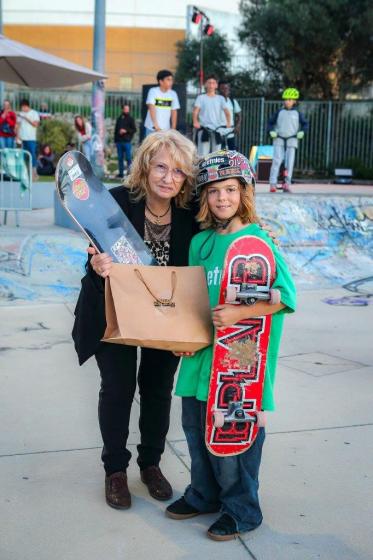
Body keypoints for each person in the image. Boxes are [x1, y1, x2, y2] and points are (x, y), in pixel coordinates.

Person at [166, 150, 296, 541]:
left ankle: (242, 509)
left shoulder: (259, 242)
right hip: (201, 360)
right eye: (213, 191)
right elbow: (192, 299)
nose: (222, 198)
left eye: (230, 189)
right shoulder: (201, 243)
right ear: (203, 197)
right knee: (195, 430)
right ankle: (204, 495)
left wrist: (241, 314)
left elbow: (286, 296)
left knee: (234, 434)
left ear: (244, 192)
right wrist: (184, 339)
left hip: (240, 365)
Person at [72, 130, 199, 510]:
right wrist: (97, 264)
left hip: (166, 315)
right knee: (118, 388)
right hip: (115, 310)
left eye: (178, 172)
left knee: (158, 390)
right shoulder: (114, 203)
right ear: (145, 167)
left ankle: (151, 464)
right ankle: (115, 471)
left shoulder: (190, 215)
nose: (168, 178)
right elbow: (94, 260)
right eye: (161, 166)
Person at [268, 88, 308, 193]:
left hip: (292, 140)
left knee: (289, 162)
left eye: (290, 99)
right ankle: (273, 183)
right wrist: (271, 131)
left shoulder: (297, 113)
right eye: (286, 99)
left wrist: (302, 132)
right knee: (277, 161)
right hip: (279, 139)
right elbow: (270, 123)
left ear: (294, 101)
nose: (287, 101)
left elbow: (305, 124)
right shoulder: (279, 112)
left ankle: (287, 183)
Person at [193, 75, 231, 156]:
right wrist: (195, 121)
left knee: (216, 154)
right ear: (205, 85)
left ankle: (215, 169)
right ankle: (201, 168)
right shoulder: (201, 98)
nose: (211, 85)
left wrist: (228, 122)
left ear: (216, 85)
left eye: (213, 83)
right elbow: (196, 111)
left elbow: (227, 112)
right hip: (204, 128)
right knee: (202, 154)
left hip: (217, 129)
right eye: (209, 83)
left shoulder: (220, 98)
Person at [144, 70, 180, 135]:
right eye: (168, 80)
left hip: (166, 130)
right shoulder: (153, 91)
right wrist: (156, 126)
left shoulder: (173, 94)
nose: (171, 82)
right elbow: (151, 108)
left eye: (171, 80)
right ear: (161, 81)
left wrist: (173, 129)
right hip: (152, 129)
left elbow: (174, 111)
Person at [16, 98, 40, 174]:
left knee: (32, 155)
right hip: (22, 139)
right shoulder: (20, 114)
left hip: (31, 138)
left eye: (23, 107)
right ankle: (26, 172)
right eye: (21, 108)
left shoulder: (34, 113)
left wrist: (25, 117)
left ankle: (34, 172)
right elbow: (18, 125)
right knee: (23, 156)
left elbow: (35, 124)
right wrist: (17, 135)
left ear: (26, 106)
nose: (22, 109)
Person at [218, 80, 242, 150]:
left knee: (232, 154)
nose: (225, 90)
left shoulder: (232, 101)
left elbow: (239, 115)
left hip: (230, 132)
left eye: (227, 88)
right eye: (223, 88)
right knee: (218, 155)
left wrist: (237, 125)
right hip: (218, 133)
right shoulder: (215, 101)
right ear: (218, 89)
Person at [114, 103, 137, 178]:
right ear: (123, 109)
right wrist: (115, 141)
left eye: (128, 109)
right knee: (120, 158)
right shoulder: (119, 118)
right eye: (125, 109)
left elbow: (134, 130)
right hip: (119, 142)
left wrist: (125, 130)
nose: (126, 110)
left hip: (127, 141)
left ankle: (130, 174)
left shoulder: (131, 119)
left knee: (128, 158)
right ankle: (121, 174)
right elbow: (116, 130)